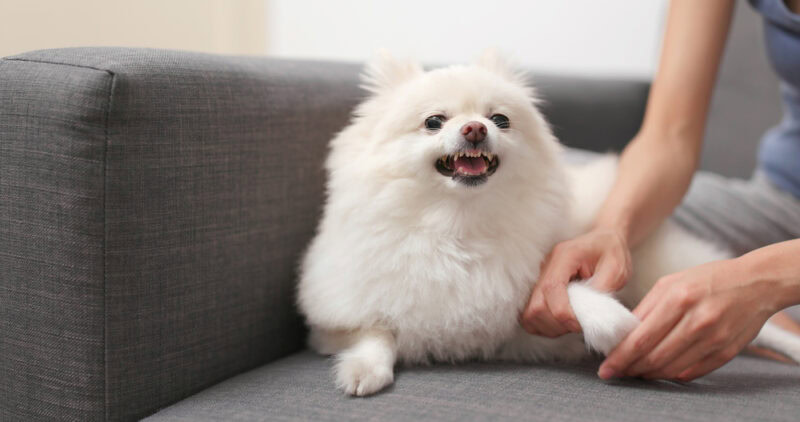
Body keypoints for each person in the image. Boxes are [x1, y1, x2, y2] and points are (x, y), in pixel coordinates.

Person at [520, 0, 800, 381]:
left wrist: (763, 282)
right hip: (782, 200)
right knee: (538, 178)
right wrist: (610, 229)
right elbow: (670, 137)